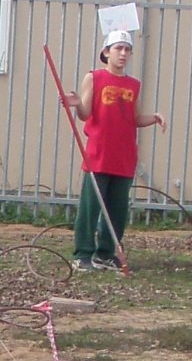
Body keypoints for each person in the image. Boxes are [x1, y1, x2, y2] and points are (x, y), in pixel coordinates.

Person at [65, 30, 164, 270]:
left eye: (127, 49)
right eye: (118, 48)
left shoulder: (133, 84)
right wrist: (78, 105)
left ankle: (106, 253)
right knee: (91, 207)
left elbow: (135, 118)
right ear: (106, 52)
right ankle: (83, 254)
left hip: (124, 155)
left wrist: (154, 118)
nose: (123, 53)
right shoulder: (95, 78)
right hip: (99, 153)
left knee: (117, 209)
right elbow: (86, 114)